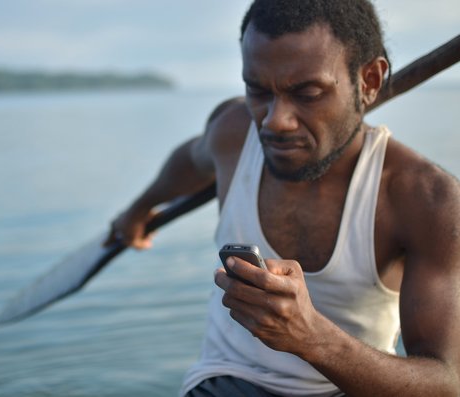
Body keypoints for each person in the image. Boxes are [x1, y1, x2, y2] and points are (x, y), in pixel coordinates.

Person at [106, 1, 460, 396]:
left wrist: (313, 338)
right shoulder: (234, 133)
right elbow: (190, 161)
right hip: (225, 381)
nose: (275, 120)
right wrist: (138, 210)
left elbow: (446, 383)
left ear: (370, 81)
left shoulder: (425, 199)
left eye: (307, 93)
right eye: (258, 91)